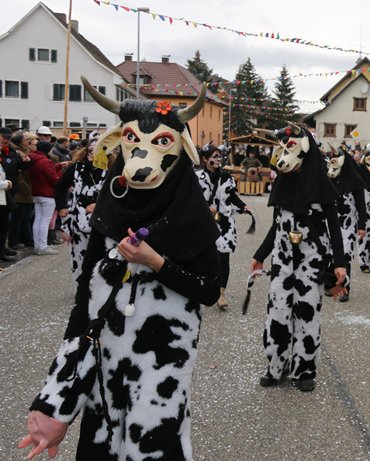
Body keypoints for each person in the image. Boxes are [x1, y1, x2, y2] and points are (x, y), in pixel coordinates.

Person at [20, 87, 220, 460]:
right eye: (132, 140)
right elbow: (85, 299)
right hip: (105, 381)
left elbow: (209, 289)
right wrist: (54, 403)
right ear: (120, 145)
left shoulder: (192, 217)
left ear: (178, 152)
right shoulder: (112, 210)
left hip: (160, 381)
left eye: (161, 142)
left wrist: (156, 263)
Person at [250, 125, 347, 393]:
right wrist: (260, 256)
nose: (284, 154)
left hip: (312, 261)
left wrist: (340, 263)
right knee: (277, 313)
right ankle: (275, 366)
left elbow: (334, 228)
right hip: (282, 262)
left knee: (306, 312)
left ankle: (304, 369)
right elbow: (276, 226)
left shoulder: (322, 185)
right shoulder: (282, 183)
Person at [197, 144, 252, 310]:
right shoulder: (197, 177)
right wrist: (206, 207)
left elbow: (232, 196)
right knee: (205, 257)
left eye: (219, 156)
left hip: (225, 222)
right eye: (214, 156)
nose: (217, 159)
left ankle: (221, 294)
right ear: (205, 159)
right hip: (204, 223)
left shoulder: (226, 176)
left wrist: (243, 207)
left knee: (223, 259)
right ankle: (202, 289)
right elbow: (191, 198)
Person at [54, 133, 109, 284]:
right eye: (91, 151)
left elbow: (120, 194)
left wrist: (101, 205)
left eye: (98, 151)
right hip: (79, 221)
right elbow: (60, 187)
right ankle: (82, 289)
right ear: (86, 151)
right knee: (79, 256)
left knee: (103, 256)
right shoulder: (76, 168)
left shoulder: (111, 171)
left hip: (103, 222)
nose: (94, 155)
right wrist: (61, 207)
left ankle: (100, 287)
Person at [326, 144, 367, 302]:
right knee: (330, 253)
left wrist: (362, 225)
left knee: (345, 255)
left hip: (348, 223)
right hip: (330, 222)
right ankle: (332, 285)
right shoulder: (330, 179)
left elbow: (361, 206)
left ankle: (345, 288)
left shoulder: (355, 182)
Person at [1, 126, 31, 259]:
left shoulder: (11, 151)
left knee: (5, 223)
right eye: (3, 138)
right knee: (3, 222)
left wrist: (26, 163)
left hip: (10, 191)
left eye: (8, 138)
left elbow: (19, 166)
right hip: (3, 189)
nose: (6, 141)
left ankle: (3, 247)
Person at [28, 139, 61, 255]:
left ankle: (38, 246)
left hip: (37, 193)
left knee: (38, 220)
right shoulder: (46, 161)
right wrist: (63, 184)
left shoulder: (33, 159)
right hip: (47, 194)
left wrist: (59, 166)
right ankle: (42, 246)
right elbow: (53, 178)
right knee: (45, 221)